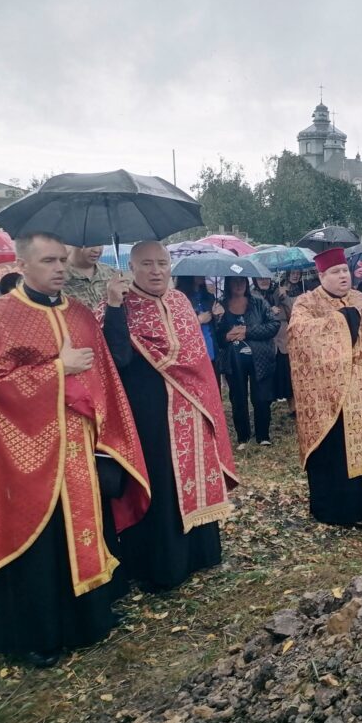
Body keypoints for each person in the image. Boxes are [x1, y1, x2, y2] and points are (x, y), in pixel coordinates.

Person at [0, 233, 149, 667]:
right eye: (48, 260)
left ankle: (88, 618)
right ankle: (35, 634)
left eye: (63, 259)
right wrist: (57, 371)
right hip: (24, 451)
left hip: (79, 445)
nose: (60, 268)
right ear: (21, 265)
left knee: (84, 527)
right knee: (40, 540)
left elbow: (104, 375)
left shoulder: (79, 314)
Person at [102, 241, 237, 592]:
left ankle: (199, 553)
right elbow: (116, 361)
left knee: (192, 474)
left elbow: (195, 357)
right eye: (147, 264)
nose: (156, 270)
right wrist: (115, 308)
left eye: (162, 263)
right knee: (160, 481)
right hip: (147, 411)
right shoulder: (118, 305)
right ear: (132, 268)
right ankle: (163, 565)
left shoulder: (179, 302)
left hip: (190, 406)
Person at [287, 248, 362, 525]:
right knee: (339, 449)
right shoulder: (307, 302)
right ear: (321, 275)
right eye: (336, 272)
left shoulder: (361, 298)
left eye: (345, 271)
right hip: (330, 392)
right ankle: (343, 510)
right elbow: (300, 336)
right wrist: (342, 320)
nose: (343, 277)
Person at [216, 277, 279, 448]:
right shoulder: (220, 305)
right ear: (227, 284)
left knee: (261, 396)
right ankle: (243, 437)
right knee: (238, 398)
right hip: (233, 360)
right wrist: (224, 334)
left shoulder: (259, 302)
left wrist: (248, 331)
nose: (239, 285)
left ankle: (263, 435)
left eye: (242, 281)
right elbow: (216, 336)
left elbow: (274, 325)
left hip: (260, 357)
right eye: (235, 282)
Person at [174, 276, 222, 379]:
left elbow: (216, 327)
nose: (202, 275)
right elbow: (175, 327)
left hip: (211, 351)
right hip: (192, 356)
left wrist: (217, 316)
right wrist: (197, 320)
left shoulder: (208, 296)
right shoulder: (177, 299)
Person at [254, 277, 291, 401]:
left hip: (283, 340)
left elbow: (292, 312)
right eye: (260, 279)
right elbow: (254, 318)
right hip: (266, 342)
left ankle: (290, 402)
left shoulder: (278, 292)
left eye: (267, 279)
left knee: (285, 371)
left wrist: (284, 297)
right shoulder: (253, 295)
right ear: (255, 281)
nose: (264, 281)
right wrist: (270, 310)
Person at [63, 245, 116, 309]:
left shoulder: (111, 273)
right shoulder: (58, 277)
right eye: (89, 245)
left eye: (100, 244)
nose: (96, 250)